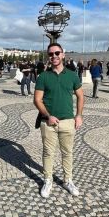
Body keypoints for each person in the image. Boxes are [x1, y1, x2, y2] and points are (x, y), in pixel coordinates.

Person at [34, 43, 84, 198]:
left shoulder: (72, 75)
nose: (54, 56)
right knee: (48, 152)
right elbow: (37, 100)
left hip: (68, 121)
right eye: (50, 54)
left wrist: (79, 115)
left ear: (63, 55)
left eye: (57, 53)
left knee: (67, 152)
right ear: (48, 57)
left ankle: (68, 180)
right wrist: (48, 116)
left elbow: (81, 96)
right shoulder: (43, 76)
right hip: (48, 122)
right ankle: (48, 180)